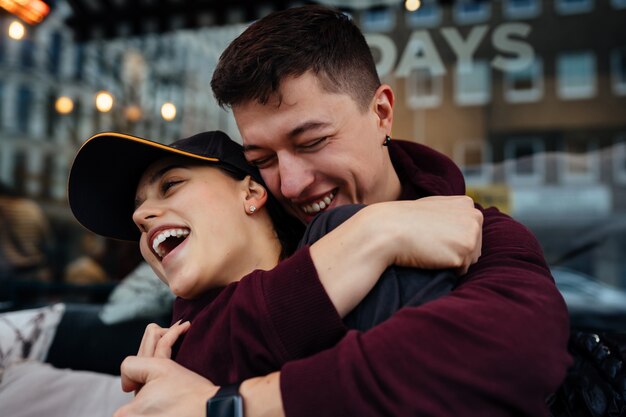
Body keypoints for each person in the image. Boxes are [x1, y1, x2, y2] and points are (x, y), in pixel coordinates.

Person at [115, 5, 572, 417]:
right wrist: (374, 233)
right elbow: (197, 347)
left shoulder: (483, 233)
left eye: (312, 141)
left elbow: (507, 356)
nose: (289, 184)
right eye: (263, 160)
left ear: (381, 112)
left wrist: (229, 406)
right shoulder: (260, 235)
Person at [67, 130, 478, 384]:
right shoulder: (173, 346)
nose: (140, 216)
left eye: (171, 184)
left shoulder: (352, 235)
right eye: (137, 210)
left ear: (250, 192)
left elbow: (442, 380)